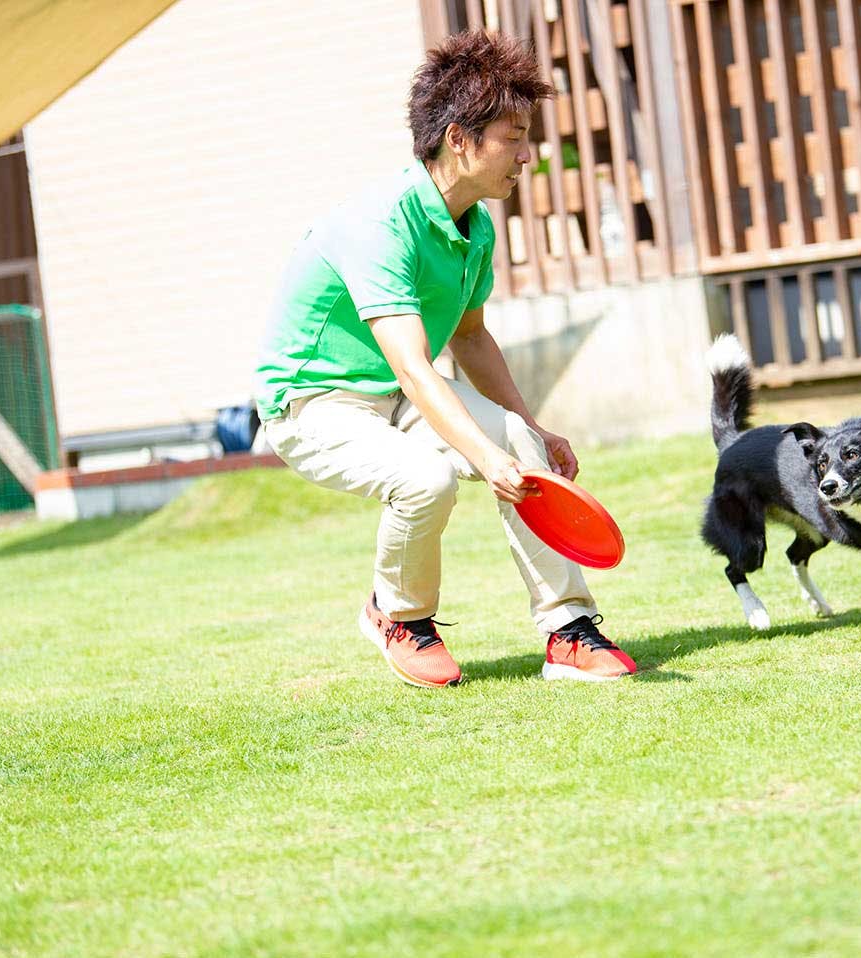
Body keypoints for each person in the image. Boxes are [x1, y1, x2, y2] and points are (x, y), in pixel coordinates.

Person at [255, 30, 636, 688]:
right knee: (423, 481)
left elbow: (470, 338)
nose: (526, 153)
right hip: (312, 403)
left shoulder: (474, 225)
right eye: (512, 137)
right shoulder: (381, 225)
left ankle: (568, 631)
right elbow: (413, 365)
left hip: (395, 395)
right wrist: (485, 461)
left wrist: (528, 431)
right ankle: (397, 615)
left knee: (520, 447)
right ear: (459, 139)